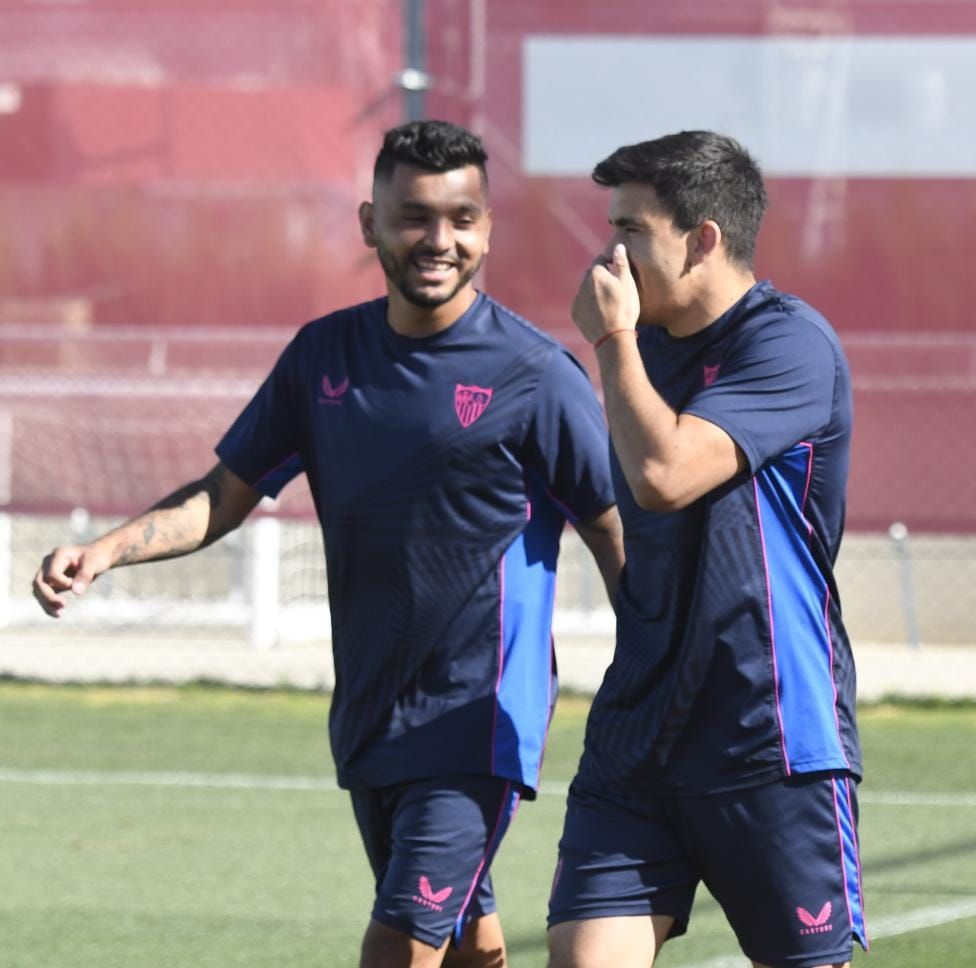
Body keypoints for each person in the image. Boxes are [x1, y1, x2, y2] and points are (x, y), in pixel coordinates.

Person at [31, 120, 624, 968]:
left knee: (398, 946)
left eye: (462, 218)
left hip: (479, 725)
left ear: (488, 228)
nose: (439, 239)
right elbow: (222, 497)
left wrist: (657, 663)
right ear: (368, 222)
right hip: (369, 720)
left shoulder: (535, 376)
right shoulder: (323, 357)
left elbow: (616, 530)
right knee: (465, 942)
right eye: (414, 216)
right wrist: (106, 551)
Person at [545, 130, 864, 968]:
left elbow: (664, 472)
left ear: (704, 238)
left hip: (768, 732)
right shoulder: (639, 352)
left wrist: (610, 346)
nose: (608, 256)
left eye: (631, 233)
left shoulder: (788, 344)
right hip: (637, 731)